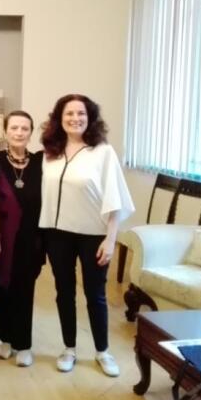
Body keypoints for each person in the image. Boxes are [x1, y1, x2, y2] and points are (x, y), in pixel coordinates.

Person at [38, 94, 134, 378]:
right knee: (63, 292)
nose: (75, 118)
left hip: (94, 235)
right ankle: (69, 348)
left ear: (90, 118)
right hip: (57, 235)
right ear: (59, 117)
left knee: (96, 294)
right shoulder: (50, 152)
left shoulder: (103, 151)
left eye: (81, 113)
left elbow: (115, 198)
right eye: (69, 113)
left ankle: (103, 351)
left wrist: (111, 238)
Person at [0, 110, 45, 368]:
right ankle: (5, 339)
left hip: (30, 239)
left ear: (31, 133)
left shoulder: (41, 162)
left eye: (25, 129)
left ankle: (23, 344)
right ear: (5, 131)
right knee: (2, 289)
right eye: (14, 128)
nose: (19, 133)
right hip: (1, 237)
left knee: (24, 291)